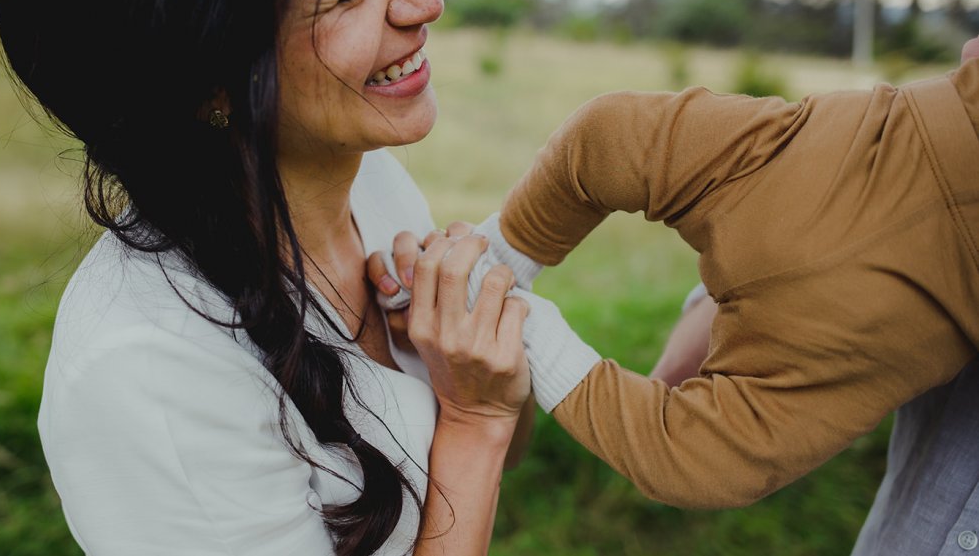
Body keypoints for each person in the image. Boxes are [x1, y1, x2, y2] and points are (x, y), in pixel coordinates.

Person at [0, 0, 535, 554]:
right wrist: (475, 423)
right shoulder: (152, 371)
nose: (428, 2)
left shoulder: (370, 181)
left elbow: (496, 447)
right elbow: (480, 433)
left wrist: (478, 366)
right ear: (211, 81)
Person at [371, 38, 979, 527]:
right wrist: (500, 273)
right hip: (923, 138)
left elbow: (697, 461)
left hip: (916, 140)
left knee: (702, 456)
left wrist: (507, 302)